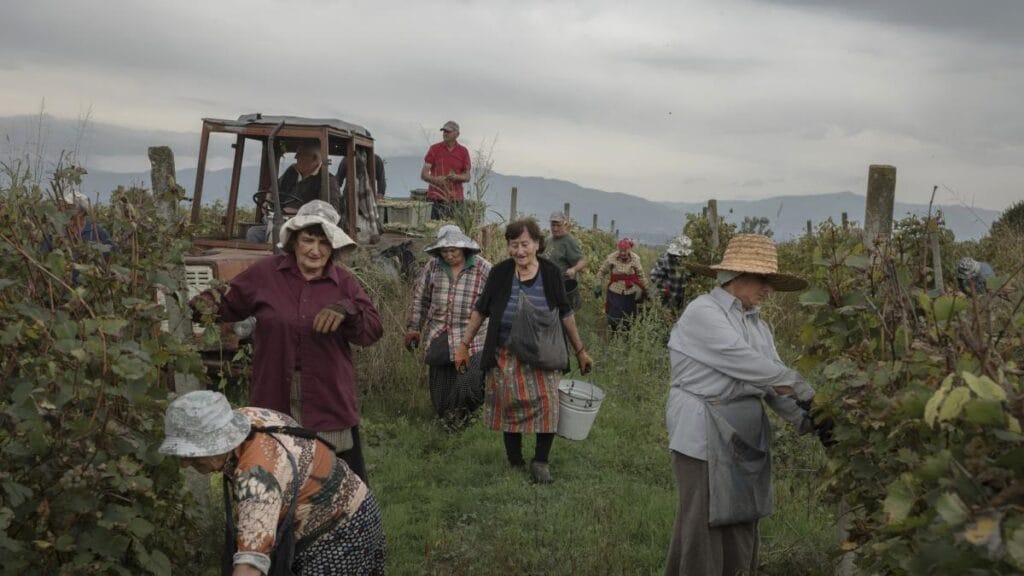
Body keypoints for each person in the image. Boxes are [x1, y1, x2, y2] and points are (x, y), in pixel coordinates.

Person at [194, 200, 383, 482]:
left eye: (323, 242)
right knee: (277, 473)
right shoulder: (264, 274)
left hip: (326, 397)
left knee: (333, 480)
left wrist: (347, 310)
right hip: (274, 393)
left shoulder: (343, 283)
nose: (315, 250)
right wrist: (195, 305)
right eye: (308, 239)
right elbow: (227, 303)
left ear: (333, 247)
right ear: (294, 240)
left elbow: (372, 331)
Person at [663, 234, 817, 576]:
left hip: (743, 437)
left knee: (741, 519)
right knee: (703, 524)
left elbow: (772, 385)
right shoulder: (703, 312)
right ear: (738, 275)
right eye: (764, 280)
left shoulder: (757, 324)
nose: (768, 290)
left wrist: (810, 418)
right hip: (703, 433)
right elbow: (747, 363)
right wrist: (805, 391)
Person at [160, 390, 386, 575]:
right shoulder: (244, 419)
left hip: (341, 533)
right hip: (352, 509)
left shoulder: (258, 479)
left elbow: (249, 567)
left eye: (191, 454)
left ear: (216, 444)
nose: (184, 463)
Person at [455, 219, 594, 484]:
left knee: (548, 406)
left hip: (545, 353)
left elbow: (566, 313)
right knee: (510, 405)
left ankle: (541, 461)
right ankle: (515, 459)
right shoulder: (500, 273)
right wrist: (463, 345)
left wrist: (580, 351)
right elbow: (481, 309)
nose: (519, 251)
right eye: (514, 244)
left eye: (525, 244)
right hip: (506, 353)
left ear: (538, 245)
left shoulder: (551, 273)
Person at [405, 225, 492, 431]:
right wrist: (413, 328)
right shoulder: (433, 267)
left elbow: (498, 300)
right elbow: (421, 299)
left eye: (453, 250)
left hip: (473, 338)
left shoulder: (483, 268)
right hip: (440, 333)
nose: (449, 255)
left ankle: (463, 419)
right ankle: (447, 420)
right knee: (440, 386)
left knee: (468, 382)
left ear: (464, 249)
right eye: (444, 251)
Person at [247, 143, 342, 243]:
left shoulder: (328, 181)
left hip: (304, 228)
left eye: (300, 154)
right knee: (253, 233)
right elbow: (275, 186)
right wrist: (268, 198)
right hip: (280, 221)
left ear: (314, 158)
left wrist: (299, 212)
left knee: (284, 238)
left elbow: (332, 213)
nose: (295, 157)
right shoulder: (292, 171)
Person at [420, 120, 471, 220]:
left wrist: (456, 177)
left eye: (448, 131)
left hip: (456, 200)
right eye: (444, 131)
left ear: (457, 134)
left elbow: (467, 177)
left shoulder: (463, 151)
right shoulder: (434, 149)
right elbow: (424, 174)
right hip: (435, 198)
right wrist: (436, 180)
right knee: (434, 230)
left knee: (455, 231)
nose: (445, 134)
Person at [594, 238, 648, 330]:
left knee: (629, 315)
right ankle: (613, 332)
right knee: (614, 313)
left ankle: (626, 334)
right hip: (615, 290)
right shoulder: (611, 258)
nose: (623, 253)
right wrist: (598, 284)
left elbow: (641, 276)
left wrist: (646, 289)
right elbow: (601, 272)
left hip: (630, 291)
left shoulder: (635, 259)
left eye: (625, 250)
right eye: (621, 250)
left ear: (629, 249)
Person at [544, 211, 588, 310]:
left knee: (562, 316)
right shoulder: (548, 240)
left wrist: (574, 269)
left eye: (558, 225)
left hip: (563, 287)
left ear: (565, 224)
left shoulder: (569, 241)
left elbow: (583, 261)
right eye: (553, 225)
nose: (555, 228)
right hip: (548, 286)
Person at [650, 235, 693, 312]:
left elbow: (694, 277)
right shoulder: (665, 259)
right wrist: (664, 286)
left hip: (685, 298)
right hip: (668, 298)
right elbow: (654, 276)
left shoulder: (691, 260)